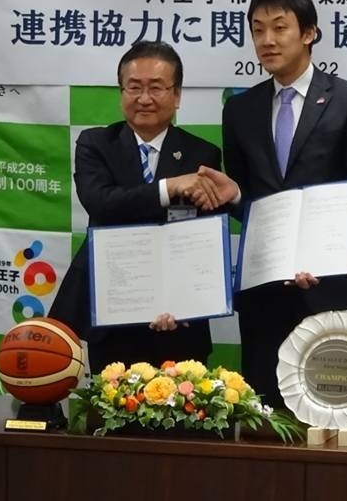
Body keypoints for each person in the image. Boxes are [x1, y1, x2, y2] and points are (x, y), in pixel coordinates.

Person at [195, 0, 347, 406]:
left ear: (309, 33)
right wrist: (234, 195)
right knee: (264, 412)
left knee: (332, 410)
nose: (267, 40)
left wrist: (321, 256)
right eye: (258, 29)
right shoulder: (239, 109)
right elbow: (251, 202)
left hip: (328, 286)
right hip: (264, 288)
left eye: (280, 27)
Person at [49, 40, 222, 376]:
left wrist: (181, 301)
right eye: (134, 87)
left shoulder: (203, 155)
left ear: (177, 95)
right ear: (121, 92)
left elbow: (201, 237)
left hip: (179, 319)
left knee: (183, 406)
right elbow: (102, 204)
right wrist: (169, 187)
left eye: (156, 87)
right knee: (111, 406)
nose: (144, 98)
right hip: (113, 311)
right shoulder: (95, 144)